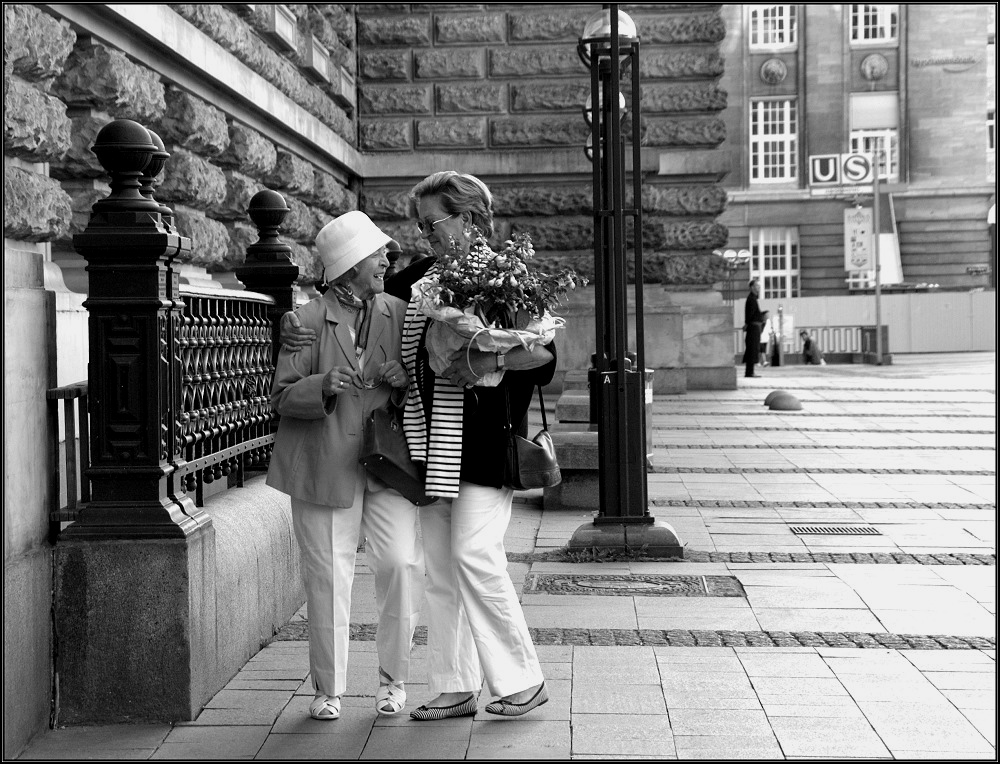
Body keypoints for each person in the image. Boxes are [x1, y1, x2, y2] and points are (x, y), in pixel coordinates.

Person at [280, 171, 553, 721]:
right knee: (441, 570)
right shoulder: (421, 278)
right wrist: (296, 328)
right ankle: (454, 686)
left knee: (474, 553)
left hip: (485, 447)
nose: (425, 234)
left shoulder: (510, 276)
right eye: (422, 223)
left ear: (470, 218)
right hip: (431, 450)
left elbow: (545, 360)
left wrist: (487, 358)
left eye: (434, 222)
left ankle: (522, 678)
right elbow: (359, 300)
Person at [266, 211, 423, 722]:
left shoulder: (401, 311)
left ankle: (393, 679)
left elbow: (424, 378)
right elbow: (282, 396)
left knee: (400, 564)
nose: (387, 259)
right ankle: (328, 688)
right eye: (378, 254)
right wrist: (321, 386)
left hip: (387, 464)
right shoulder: (305, 321)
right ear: (350, 264)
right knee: (328, 579)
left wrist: (403, 378)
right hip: (323, 466)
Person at [743, 277, 765, 377]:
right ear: (752, 287)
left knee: (753, 349)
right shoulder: (751, 299)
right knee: (752, 349)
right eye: (756, 286)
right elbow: (750, 315)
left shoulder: (752, 298)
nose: (758, 287)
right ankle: (750, 372)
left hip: (754, 327)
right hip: (753, 328)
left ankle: (750, 371)